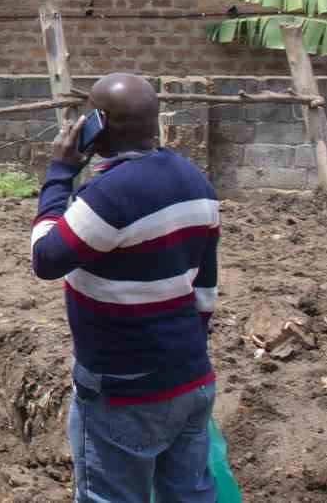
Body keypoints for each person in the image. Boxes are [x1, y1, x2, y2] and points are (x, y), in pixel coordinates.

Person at [32, 74, 220, 502]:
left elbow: (46, 257)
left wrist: (59, 175)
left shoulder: (110, 196)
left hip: (124, 390)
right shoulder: (196, 182)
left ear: (98, 122)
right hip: (190, 379)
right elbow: (205, 290)